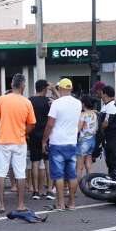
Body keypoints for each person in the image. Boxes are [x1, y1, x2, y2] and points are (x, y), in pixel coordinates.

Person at [0, 73, 37, 222]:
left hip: (3, 140)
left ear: (12, 84)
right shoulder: (26, 102)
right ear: (23, 86)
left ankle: (0, 204)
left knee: (0, 172)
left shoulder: (2, 99)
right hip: (19, 141)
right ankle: (20, 204)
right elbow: (31, 124)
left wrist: (3, 129)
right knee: (20, 173)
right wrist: (22, 132)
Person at [42, 78, 82, 210]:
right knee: (71, 174)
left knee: (58, 175)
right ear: (70, 89)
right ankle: (72, 203)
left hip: (57, 142)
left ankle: (60, 203)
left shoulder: (56, 104)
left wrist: (44, 140)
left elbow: (50, 124)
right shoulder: (78, 103)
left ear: (60, 89)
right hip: (71, 142)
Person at [28, 79, 51, 200]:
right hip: (46, 135)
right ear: (45, 89)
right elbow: (60, 102)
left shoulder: (30, 100)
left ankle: (35, 191)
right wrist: (55, 90)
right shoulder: (49, 101)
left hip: (33, 134)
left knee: (35, 163)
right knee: (47, 163)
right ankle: (49, 190)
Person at [100, 85, 116, 176]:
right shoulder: (106, 105)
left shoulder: (112, 106)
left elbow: (105, 124)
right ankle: (112, 179)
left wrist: (97, 129)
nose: (101, 95)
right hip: (109, 138)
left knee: (113, 162)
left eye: (102, 93)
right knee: (109, 161)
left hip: (115, 138)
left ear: (105, 94)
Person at [76, 96, 98, 179]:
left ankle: (74, 188)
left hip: (83, 141)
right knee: (89, 165)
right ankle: (90, 186)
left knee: (79, 167)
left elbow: (78, 129)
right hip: (92, 140)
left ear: (84, 104)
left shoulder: (83, 115)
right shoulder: (94, 114)